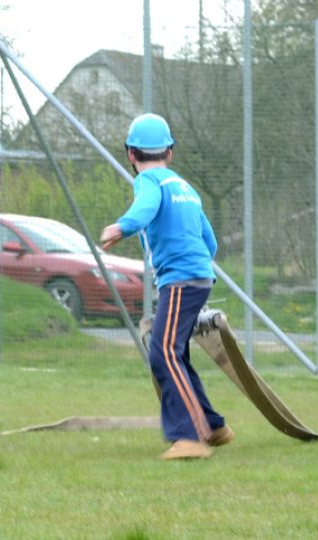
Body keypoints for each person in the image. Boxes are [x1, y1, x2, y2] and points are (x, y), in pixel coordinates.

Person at [99, 113, 233, 460]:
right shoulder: (184, 187)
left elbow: (145, 208)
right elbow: (210, 240)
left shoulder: (149, 182)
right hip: (199, 276)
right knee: (176, 353)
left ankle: (190, 436)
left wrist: (121, 227)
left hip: (180, 280)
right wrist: (198, 265)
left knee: (163, 353)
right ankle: (214, 426)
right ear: (169, 152)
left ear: (131, 154)